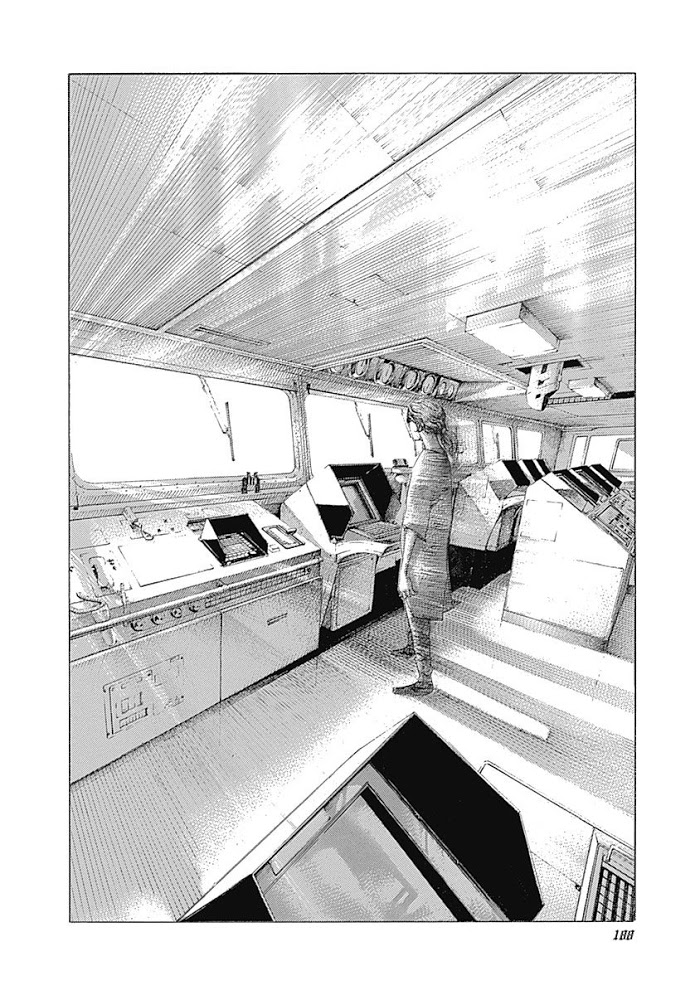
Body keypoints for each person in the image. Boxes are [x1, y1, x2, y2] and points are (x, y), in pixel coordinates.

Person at [393, 396, 454, 696]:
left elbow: (413, 524)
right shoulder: (440, 457)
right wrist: (410, 479)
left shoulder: (426, 463)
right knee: (416, 610)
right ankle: (410, 647)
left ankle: (424, 679)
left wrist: (403, 571)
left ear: (416, 425)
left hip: (420, 556)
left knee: (417, 613)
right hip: (435, 551)